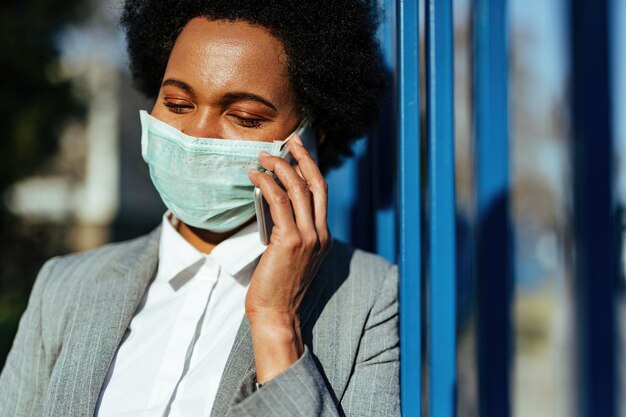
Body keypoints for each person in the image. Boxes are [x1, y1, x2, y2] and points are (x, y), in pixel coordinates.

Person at [0, 0, 399, 416]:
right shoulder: (64, 286)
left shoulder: (369, 299)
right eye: (176, 104)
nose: (197, 134)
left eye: (244, 116)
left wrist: (276, 325)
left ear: (312, 137)